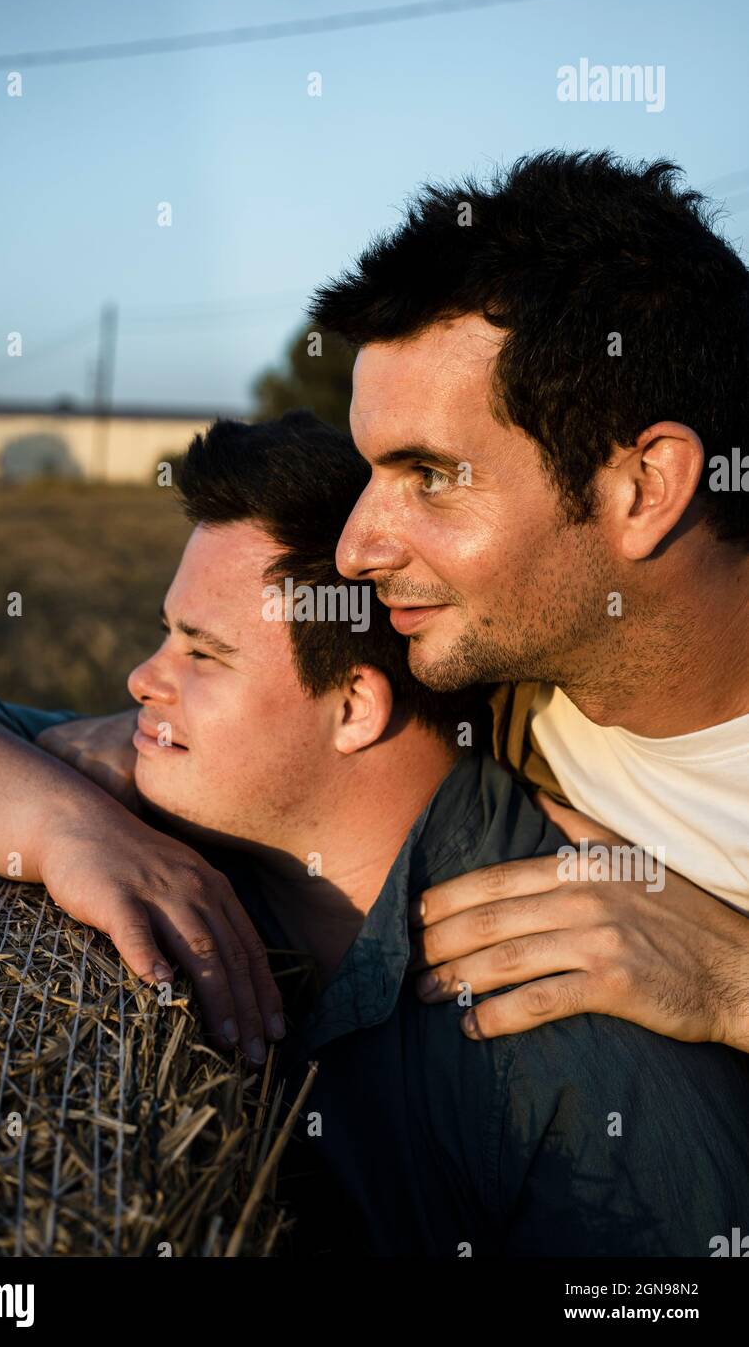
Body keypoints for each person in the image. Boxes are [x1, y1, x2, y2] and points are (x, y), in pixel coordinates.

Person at [0, 412, 749, 1257]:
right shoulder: (189, 803)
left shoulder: (575, 1047)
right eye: (164, 636)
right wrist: (62, 825)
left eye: (202, 653)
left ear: (353, 709)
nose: (143, 679)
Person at [308, 149, 749, 1052]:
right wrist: (58, 821)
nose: (355, 551)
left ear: (644, 487)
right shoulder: (474, 678)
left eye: (429, 476)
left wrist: (730, 981)